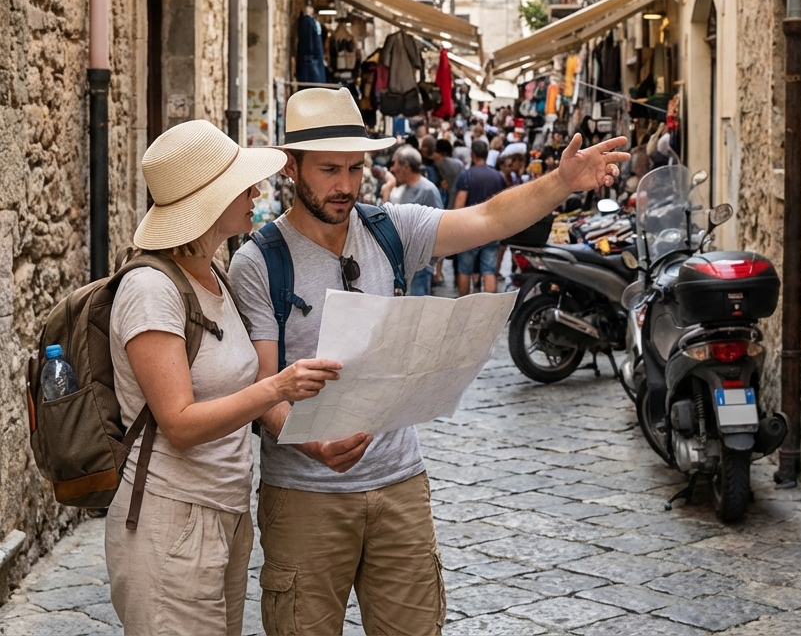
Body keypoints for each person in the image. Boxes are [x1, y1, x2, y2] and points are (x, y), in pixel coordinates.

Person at [228, 87, 627, 635]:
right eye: (327, 170)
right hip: (303, 495)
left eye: (354, 167)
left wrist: (561, 182)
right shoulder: (258, 262)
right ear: (291, 167)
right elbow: (263, 386)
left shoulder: (389, 230)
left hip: (400, 484)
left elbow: (488, 219)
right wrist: (310, 442)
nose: (345, 185)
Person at [106, 120, 340, 635]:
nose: (256, 191)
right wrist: (276, 387)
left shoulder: (214, 274)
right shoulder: (151, 290)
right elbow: (181, 424)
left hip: (225, 511)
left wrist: (310, 437)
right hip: (171, 520)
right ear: (210, 200)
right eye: (243, 183)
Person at [380, 146, 443, 295]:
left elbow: (438, 228)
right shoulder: (401, 189)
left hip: (419, 267)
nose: (392, 169)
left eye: (394, 163)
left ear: (406, 166)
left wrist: (429, 263)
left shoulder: (428, 190)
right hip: (401, 265)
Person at [452, 139, 509, 296]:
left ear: (473, 155)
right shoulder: (499, 176)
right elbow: (504, 204)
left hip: (469, 232)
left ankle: (463, 305)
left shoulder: (466, 176)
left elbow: (459, 207)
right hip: (492, 231)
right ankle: (489, 308)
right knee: (489, 271)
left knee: (464, 270)